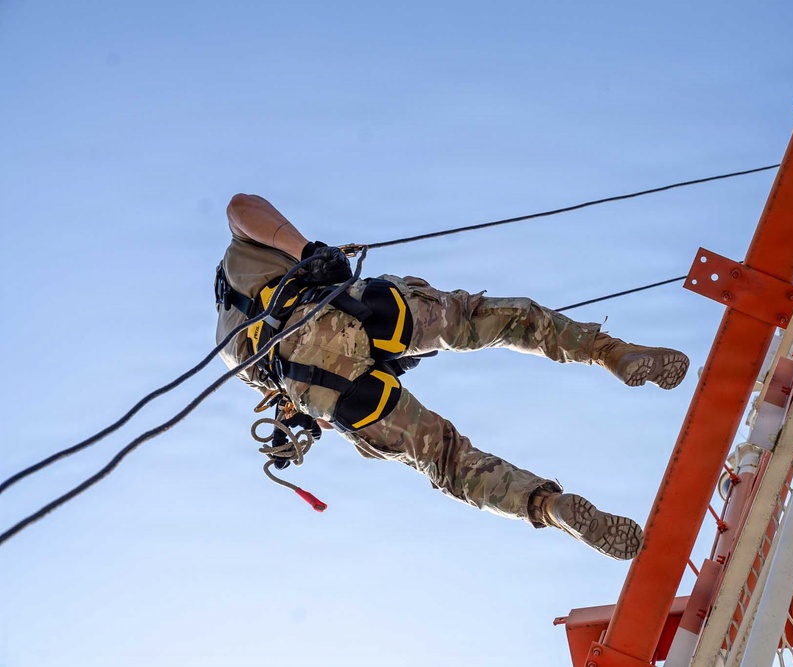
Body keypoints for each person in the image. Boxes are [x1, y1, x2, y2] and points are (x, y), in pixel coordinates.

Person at [215, 193, 689, 560]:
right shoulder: (240, 257)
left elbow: (304, 397)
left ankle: (547, 507)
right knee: (488, 321)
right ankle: (610, 352)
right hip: (350, 310)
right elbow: (240, 206)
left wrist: (297, 422)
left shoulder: (230, 353)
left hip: (324, 388)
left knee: (446, 462)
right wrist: (309, 251)